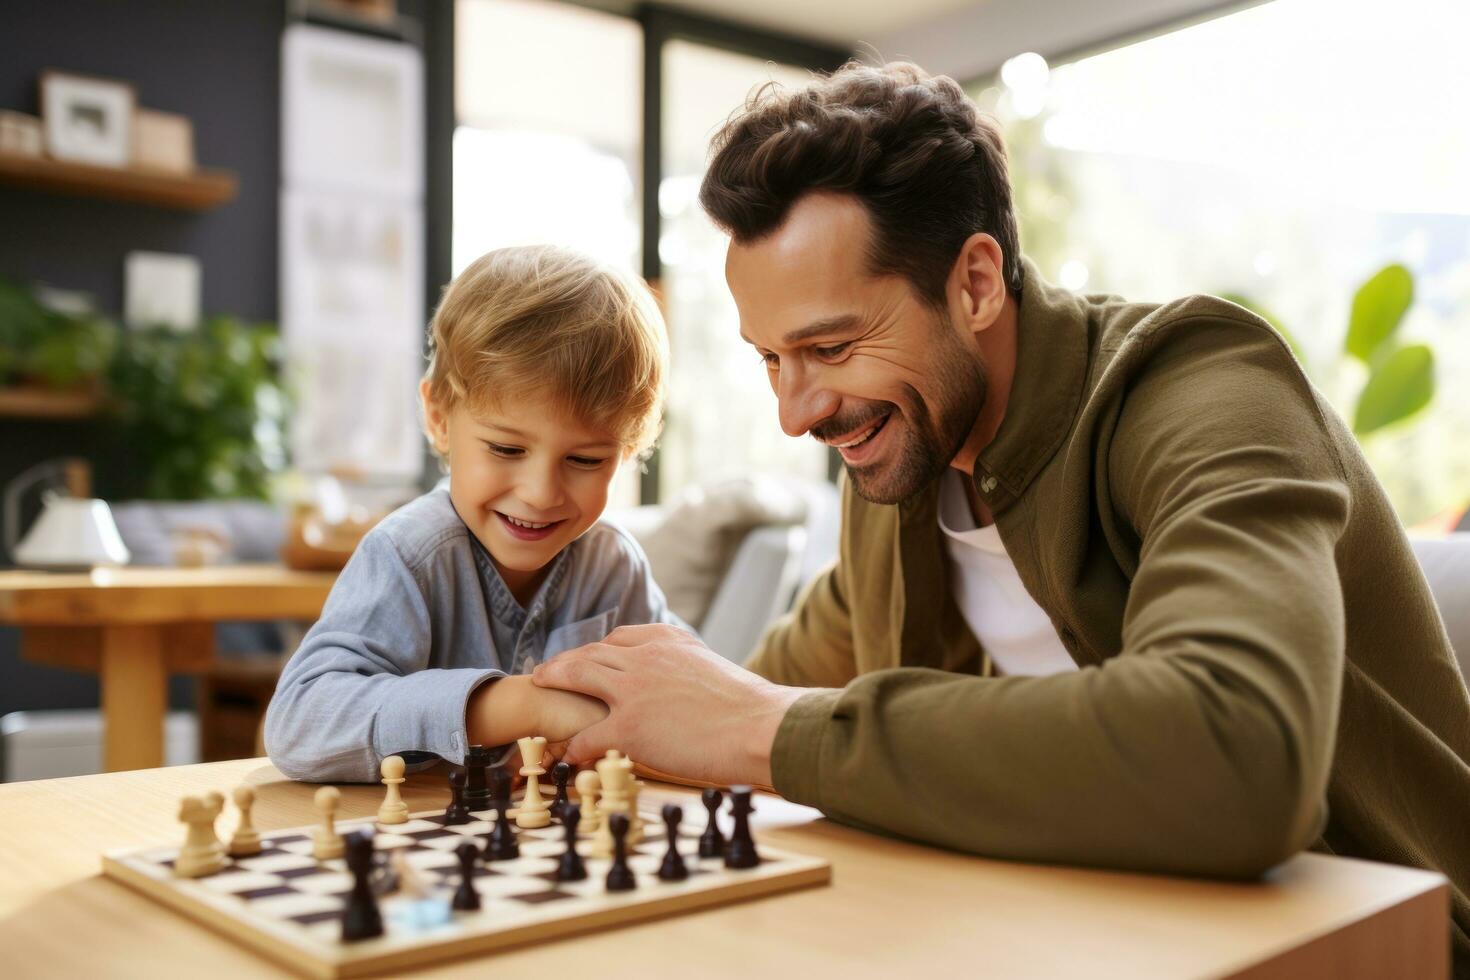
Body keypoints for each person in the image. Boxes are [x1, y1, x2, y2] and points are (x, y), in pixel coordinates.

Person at [530, 62, 1470, 971]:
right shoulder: (899, 473)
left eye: (832, 345)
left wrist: (765, 729)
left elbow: (1238, 752)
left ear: (976, 282)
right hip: (1086, 932)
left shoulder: (1206, 390)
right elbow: (749, 689)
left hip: (1377, 945)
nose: (797, 411)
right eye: (772, 359)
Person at [265, 244, 682, 783]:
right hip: (415, 851)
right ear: (439, 418)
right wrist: (525, 705)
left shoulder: (614, 565)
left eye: (585, 459)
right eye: (507, 449)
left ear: (625, 454)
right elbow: (298, 724)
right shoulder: (409, 555)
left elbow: (684, 687)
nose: (539, 493)